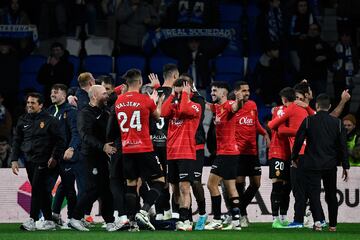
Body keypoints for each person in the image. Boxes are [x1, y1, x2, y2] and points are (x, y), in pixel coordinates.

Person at [114, 69, 165, 231]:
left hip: (127, 149)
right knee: (160, 181)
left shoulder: (118, 101)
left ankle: (132, 222)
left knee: (131, 184)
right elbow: (157, 116)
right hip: (144, 148)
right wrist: (158, 100)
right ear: (140, 82)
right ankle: (144, 211)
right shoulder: (145, 99)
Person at [291, 94, 350, 232]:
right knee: (331, 194)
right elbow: (343, 146)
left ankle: (318, 223)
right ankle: (333, 225)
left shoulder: (308, 121)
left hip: (312, 163)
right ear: (329, 107)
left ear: (317, 106)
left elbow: (298, 141)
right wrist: (345, 166)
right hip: (330, 164)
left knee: (314, 194)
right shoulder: (338, 123)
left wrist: (294, 157)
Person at [10, 92, 65, 231]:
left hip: (44, 161)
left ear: (40, 105)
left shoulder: (50, 120)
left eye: (33, 103)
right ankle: (48, 220)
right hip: (29, 160)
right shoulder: (23, 120)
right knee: (42, 190)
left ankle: (32, 220)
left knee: (36, 188)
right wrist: (14, 159)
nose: (29, 105)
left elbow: (60, 141)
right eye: (28, 103)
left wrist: (54, 157)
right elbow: (17, 141)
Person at [69, 85, 118, 232]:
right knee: (92, 189)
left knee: (106, 190)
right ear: (94, 96)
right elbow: (84, 135)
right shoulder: (85, 113)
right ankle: (75, 218)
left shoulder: (105, 110)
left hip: (102, 157)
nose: (106, 96)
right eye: (103, 93)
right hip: (90, 156)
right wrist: (103, 146)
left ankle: (110, 221)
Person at [161, 78, 203, 231]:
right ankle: (178, 218)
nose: (179, 96)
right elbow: (163, 113)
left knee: (184, 187)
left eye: (181, 92)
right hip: (171, 153)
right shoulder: (174, 105)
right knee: (175, 189)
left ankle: (186, 220)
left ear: (189, 91)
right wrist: (172, 95)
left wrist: (185, 95)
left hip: (186, 152)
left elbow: (185, 110)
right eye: (176, 93)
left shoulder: (196, 106)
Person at [205, 81, 243, 230]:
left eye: (215, 91)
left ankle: (217, 219)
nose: (212, 93)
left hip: (227, 153)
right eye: (212, 91)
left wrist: (239, 100)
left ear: (224, 93)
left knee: (211, 184)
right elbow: (206, 105)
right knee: (230, 187)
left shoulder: (228, 105)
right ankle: (236, 222)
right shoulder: (217, 107)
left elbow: (236, 107)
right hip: (229, 153)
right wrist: (192, 93)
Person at [234, 81, 270, 228]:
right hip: (239, 152)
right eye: (244, 91)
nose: (247, 93)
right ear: (237, 92)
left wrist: (265, 133)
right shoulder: (233, 107)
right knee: (239, 185)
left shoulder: (253, 105)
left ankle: (238, 210)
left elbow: (255, 123)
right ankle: (241, 215)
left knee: (256, 183)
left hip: (252, 152)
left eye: (248, 90)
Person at [46, 84, 81, 227]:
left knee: (69, 189)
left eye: (56, 92)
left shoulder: (71, 111)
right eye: (51, 92)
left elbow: (76, 132)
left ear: (64, 95)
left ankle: (72, 218)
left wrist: (71, 148)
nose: (52, 94)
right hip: (51, 157)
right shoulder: (48, 111)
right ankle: (49, 218)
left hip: (66, 157)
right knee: (46, 188)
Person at [149, 64, 179, 221]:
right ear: (175, 77)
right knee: (173, 180)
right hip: (170, 143)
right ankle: (175, 212)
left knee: (158, 179)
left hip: (153, 143)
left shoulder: (153, 92)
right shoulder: (176, 95)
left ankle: (161, 211)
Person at [180, 73, 207, 230]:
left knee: (195, 182)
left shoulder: (198, 100)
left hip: (196, 145)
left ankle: (202, 214)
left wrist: (185, 96)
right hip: (181, 147)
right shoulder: (178, 98)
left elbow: (187, 112)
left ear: (190, 86)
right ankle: (186, 218)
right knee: (181, 185)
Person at [268, 87, 294, 228]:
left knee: (287, 186)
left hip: (290, 153)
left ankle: (283, 216)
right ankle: (275, 218)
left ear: (284, 98)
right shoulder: (279, 110)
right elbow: (281, 130)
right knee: (277, 184)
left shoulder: (295, 110)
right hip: (278, 151)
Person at [299, 23, 336, 96]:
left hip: (320, 77)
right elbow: (303, 56)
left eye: (314, 29)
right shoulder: (303, 43)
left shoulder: (323, 43)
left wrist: (325, 57)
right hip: (307, 77)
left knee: (320, 100)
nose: (312, 31)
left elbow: (333, 55)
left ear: (319, 31)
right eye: (310, 29)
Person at [332, 31, 359, 103]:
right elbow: (331, 60)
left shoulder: (353, 48)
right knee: (338, 100)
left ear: (350, 37)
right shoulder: (336, 47)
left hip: (349, 79)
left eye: (347, 36)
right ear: (340, 37)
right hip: (338, 78)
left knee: (347, 101)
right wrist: (334, 70)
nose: (345, 38)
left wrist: (354, 71)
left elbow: (356, 62)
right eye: (343, 36)